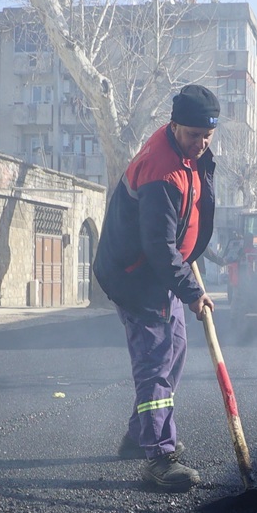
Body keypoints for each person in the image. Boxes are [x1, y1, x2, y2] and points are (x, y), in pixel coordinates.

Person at [93, 86, 220, 492]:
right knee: (156, 360)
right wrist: (190, 289)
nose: (200, 144)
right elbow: (158, 245)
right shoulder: (162, 171)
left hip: (161, 271)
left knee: (176, 347)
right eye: (193, 135)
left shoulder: (190, 155)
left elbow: (188, 216)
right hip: (137, 275)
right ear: (174, 125)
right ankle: (159, 458)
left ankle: (138, 436)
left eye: (207, 136)